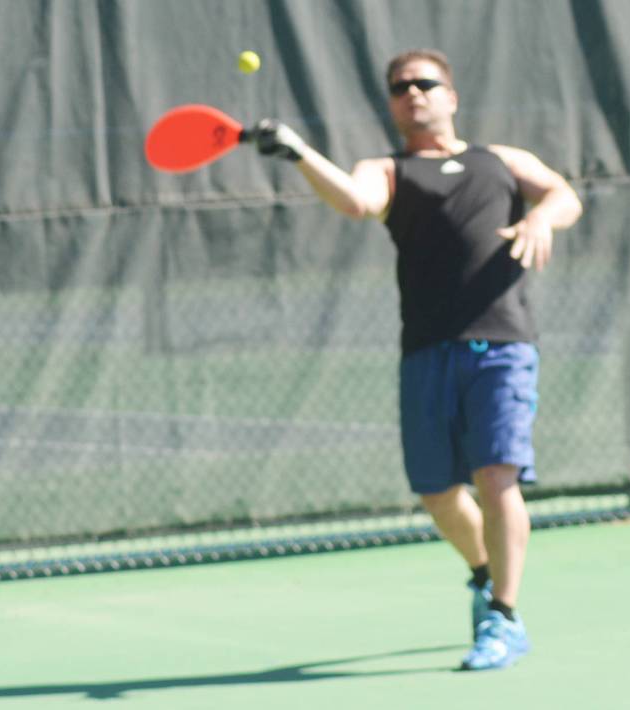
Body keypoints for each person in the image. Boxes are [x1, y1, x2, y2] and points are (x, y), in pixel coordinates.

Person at [253, 48, 583, 671]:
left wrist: (542, 217)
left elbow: (564, 196)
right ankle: (485, 572)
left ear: (450, 96)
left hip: (503, 346)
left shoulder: (501, 160)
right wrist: (297, 152)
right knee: (437, 492)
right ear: (392, 105)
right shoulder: (388, 170)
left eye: (426, 83)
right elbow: (356, 201)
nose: (414, 93)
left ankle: (504, 616)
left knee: (497, 476)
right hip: (427, 349)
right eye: (401, 87)